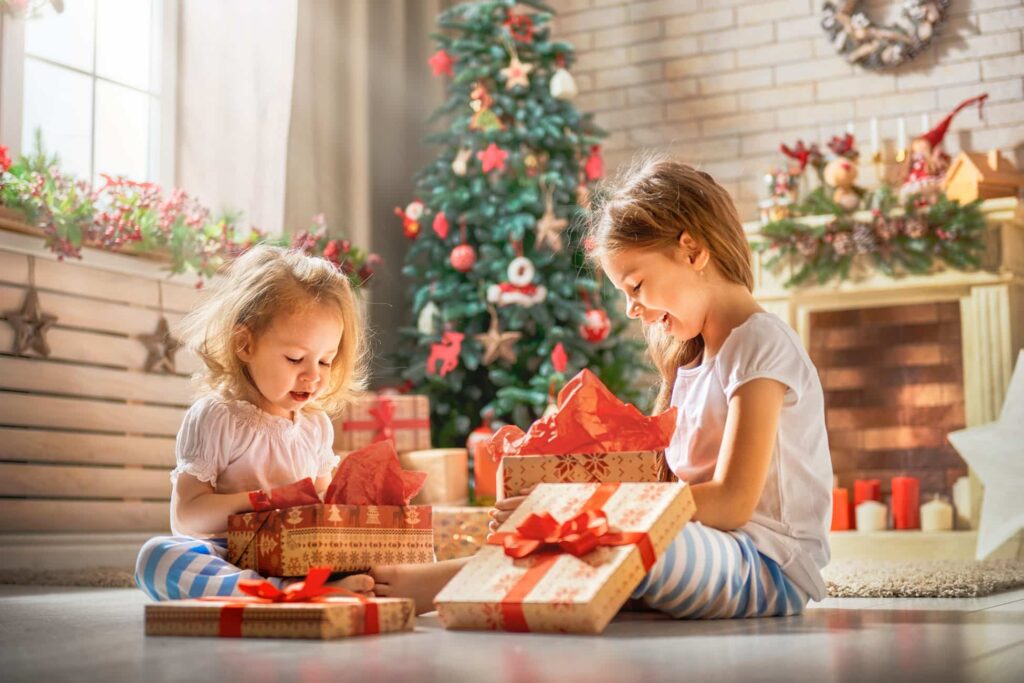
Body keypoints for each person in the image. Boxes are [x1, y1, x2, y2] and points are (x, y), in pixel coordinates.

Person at [376, 156, 832, 619]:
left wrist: (575, 511)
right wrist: (553, 509)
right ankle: (462, 579)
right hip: (701, 551)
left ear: (693, 251)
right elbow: (666, 493)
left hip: (767, 565)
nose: (632, 309)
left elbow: (733, 503)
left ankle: (450, 582)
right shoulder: (692, 363)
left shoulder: (759, 341)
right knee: (595, 535)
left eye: (635, 285)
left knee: (610, 532)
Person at [134, 245, 374, 601]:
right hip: (229, 555)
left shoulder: (315, 426)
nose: (313, 375)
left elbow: (326, 505)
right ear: (244, 344)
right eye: (295, 358)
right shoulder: (219, 417)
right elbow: (186, 518)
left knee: (382, 556)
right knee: (157, 558)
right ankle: (285, 593)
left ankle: (311, 586)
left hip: (295, 554)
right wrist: (264, 501)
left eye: (325, 361)